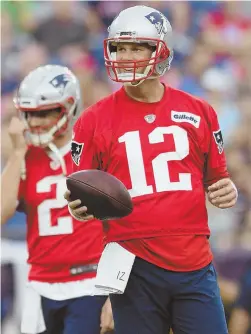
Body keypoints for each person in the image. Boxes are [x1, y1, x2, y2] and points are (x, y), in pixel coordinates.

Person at [65, 6, 238, 334]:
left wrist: (227, 190)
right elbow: (83, 200)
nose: (125, 56)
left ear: (162, 50)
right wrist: (108, 289)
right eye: (119, 47)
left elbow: (219, 181)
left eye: (136, 47)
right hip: (132, 265)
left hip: (194, 261)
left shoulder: (199, 111)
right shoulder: (93, 120)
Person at [1, 64, 113, 334]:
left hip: (88, 281)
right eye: (29, 114)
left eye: (44, 113)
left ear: (69, 107)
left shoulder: (96, 149)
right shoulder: (25, 156)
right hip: (39, 284)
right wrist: (16, 155)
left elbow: (124, 226)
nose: (35, 122)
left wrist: (115, 289)